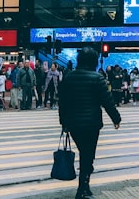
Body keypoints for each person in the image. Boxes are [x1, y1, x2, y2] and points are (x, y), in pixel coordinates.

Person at [58, 47, 121, 199]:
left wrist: (63, 122)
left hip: (73, 123)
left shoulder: (69, 77)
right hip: (91, 124)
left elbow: (63, 102)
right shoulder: (97, 78)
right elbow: (107, 101)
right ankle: (83, 189)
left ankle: (84, 187)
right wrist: (116, 119)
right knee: (88, 155)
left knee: (84, 153)